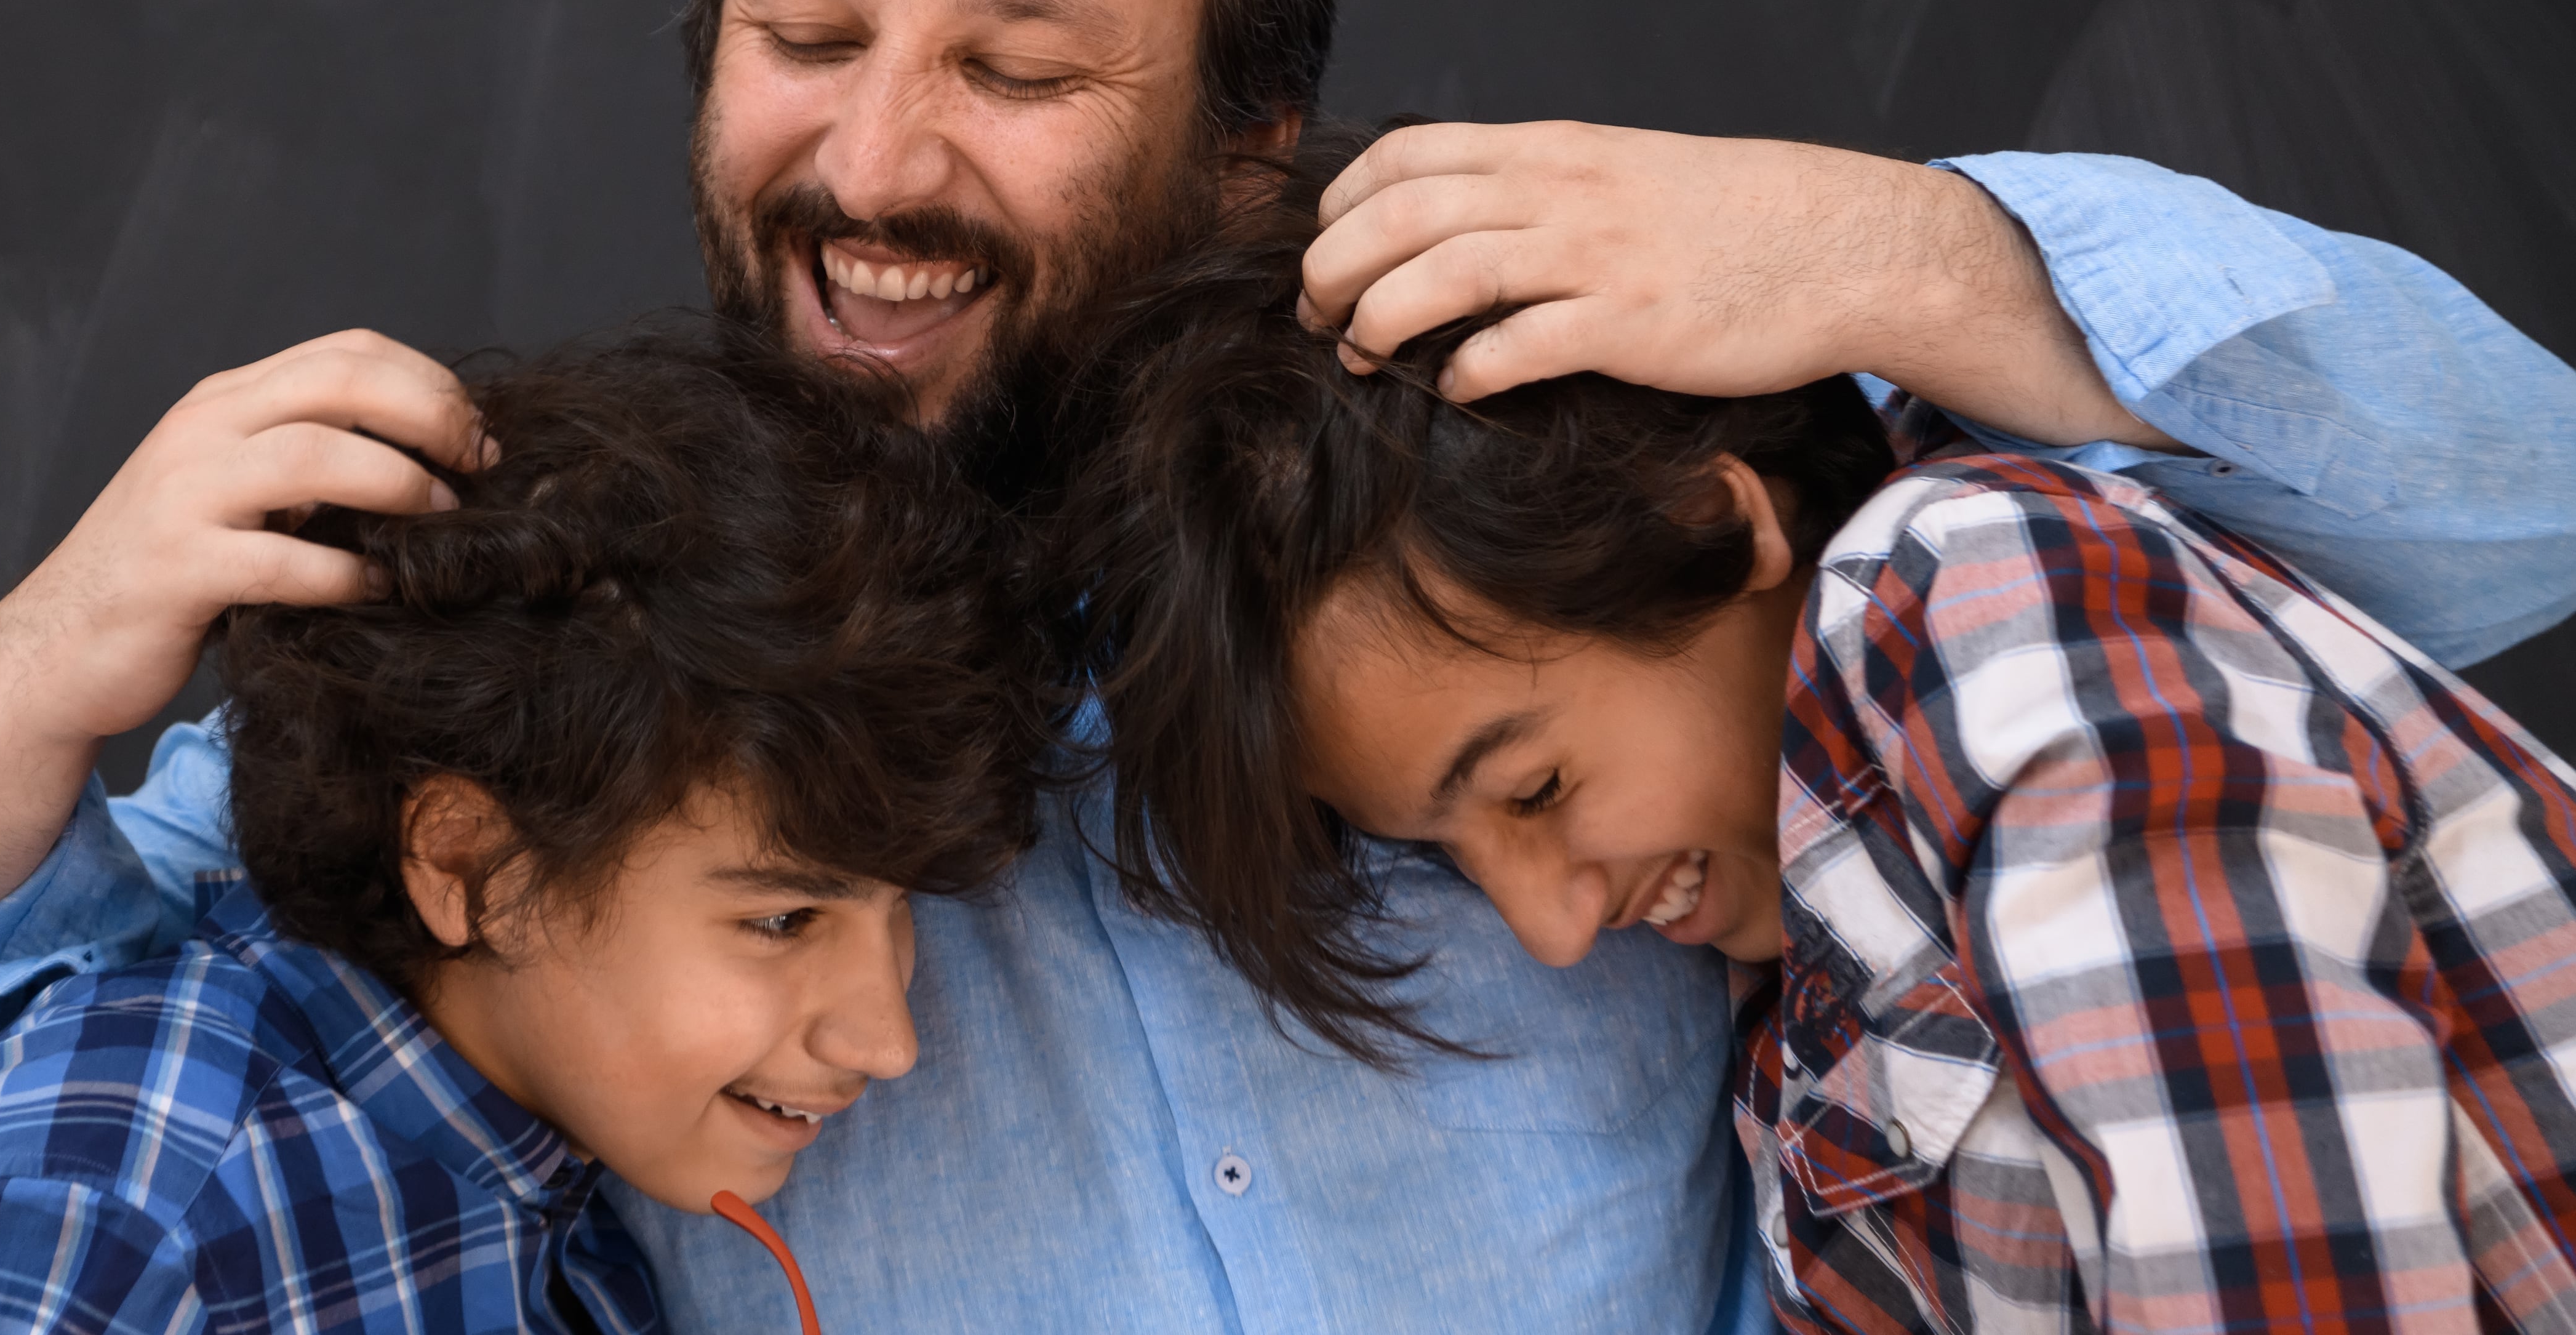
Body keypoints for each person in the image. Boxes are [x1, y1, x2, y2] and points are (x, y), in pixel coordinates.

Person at [0, 0, 2576, 1333]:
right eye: (804, 35)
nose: (872, 158)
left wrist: (1899, 252)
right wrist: (32, 674)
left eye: (1019, 69)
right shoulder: (589, 673)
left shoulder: (1534, 498)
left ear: (1246, 147)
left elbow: (2506, 510)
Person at [1062, 162, 2576, 1331]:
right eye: (1445, 854)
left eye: (1535, 787)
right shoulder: (1789, 999)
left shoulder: (1973, 595)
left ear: (1708, 527)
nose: (1551, 925)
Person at [0, 322, 1047, 1333]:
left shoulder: (549, 1203)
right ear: (471, 864)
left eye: (900, 911)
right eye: (783, 917)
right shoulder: (120, 1210)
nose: (888, 1039)